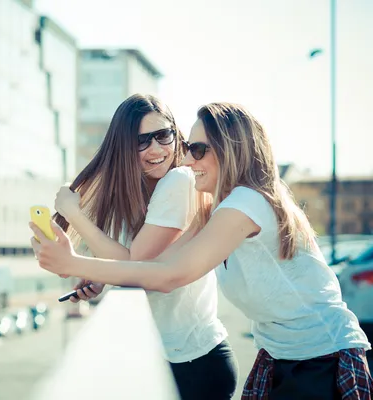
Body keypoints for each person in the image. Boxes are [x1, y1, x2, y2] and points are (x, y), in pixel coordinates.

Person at [31, 102, 373, 399]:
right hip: (280, 358)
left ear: (230, 149)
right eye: (189, 147)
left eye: (199, 150)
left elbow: (169, 277)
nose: (188, 160)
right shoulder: (218, 206)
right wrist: (91, 270)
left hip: (321, 360)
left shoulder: (245, 202)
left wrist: (74, 258)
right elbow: (158, 265)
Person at [51, 94, 238, 400]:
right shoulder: (133, 193)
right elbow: (134, 265)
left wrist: (73, 213)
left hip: (191, 363)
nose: (156, 149)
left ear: (176, 135)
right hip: (171, 359)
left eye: (163, 136)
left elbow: (135, 262)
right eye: (141, 141)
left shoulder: (180, 181)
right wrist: (104, 277)